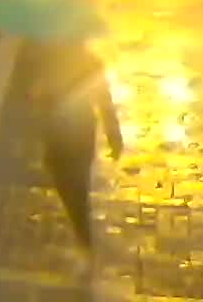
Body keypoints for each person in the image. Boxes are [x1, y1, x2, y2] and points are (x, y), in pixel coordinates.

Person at [25, 34, 124, 254]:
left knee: (72, 184)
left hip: (70, 133)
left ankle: (82, 234)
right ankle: (81, 228)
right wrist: (113, 135)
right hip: (68, 132)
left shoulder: (55, 61)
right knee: (69, 182)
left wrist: (113, 134)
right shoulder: (68, 61)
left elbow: (103, 99)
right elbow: (105, 102)